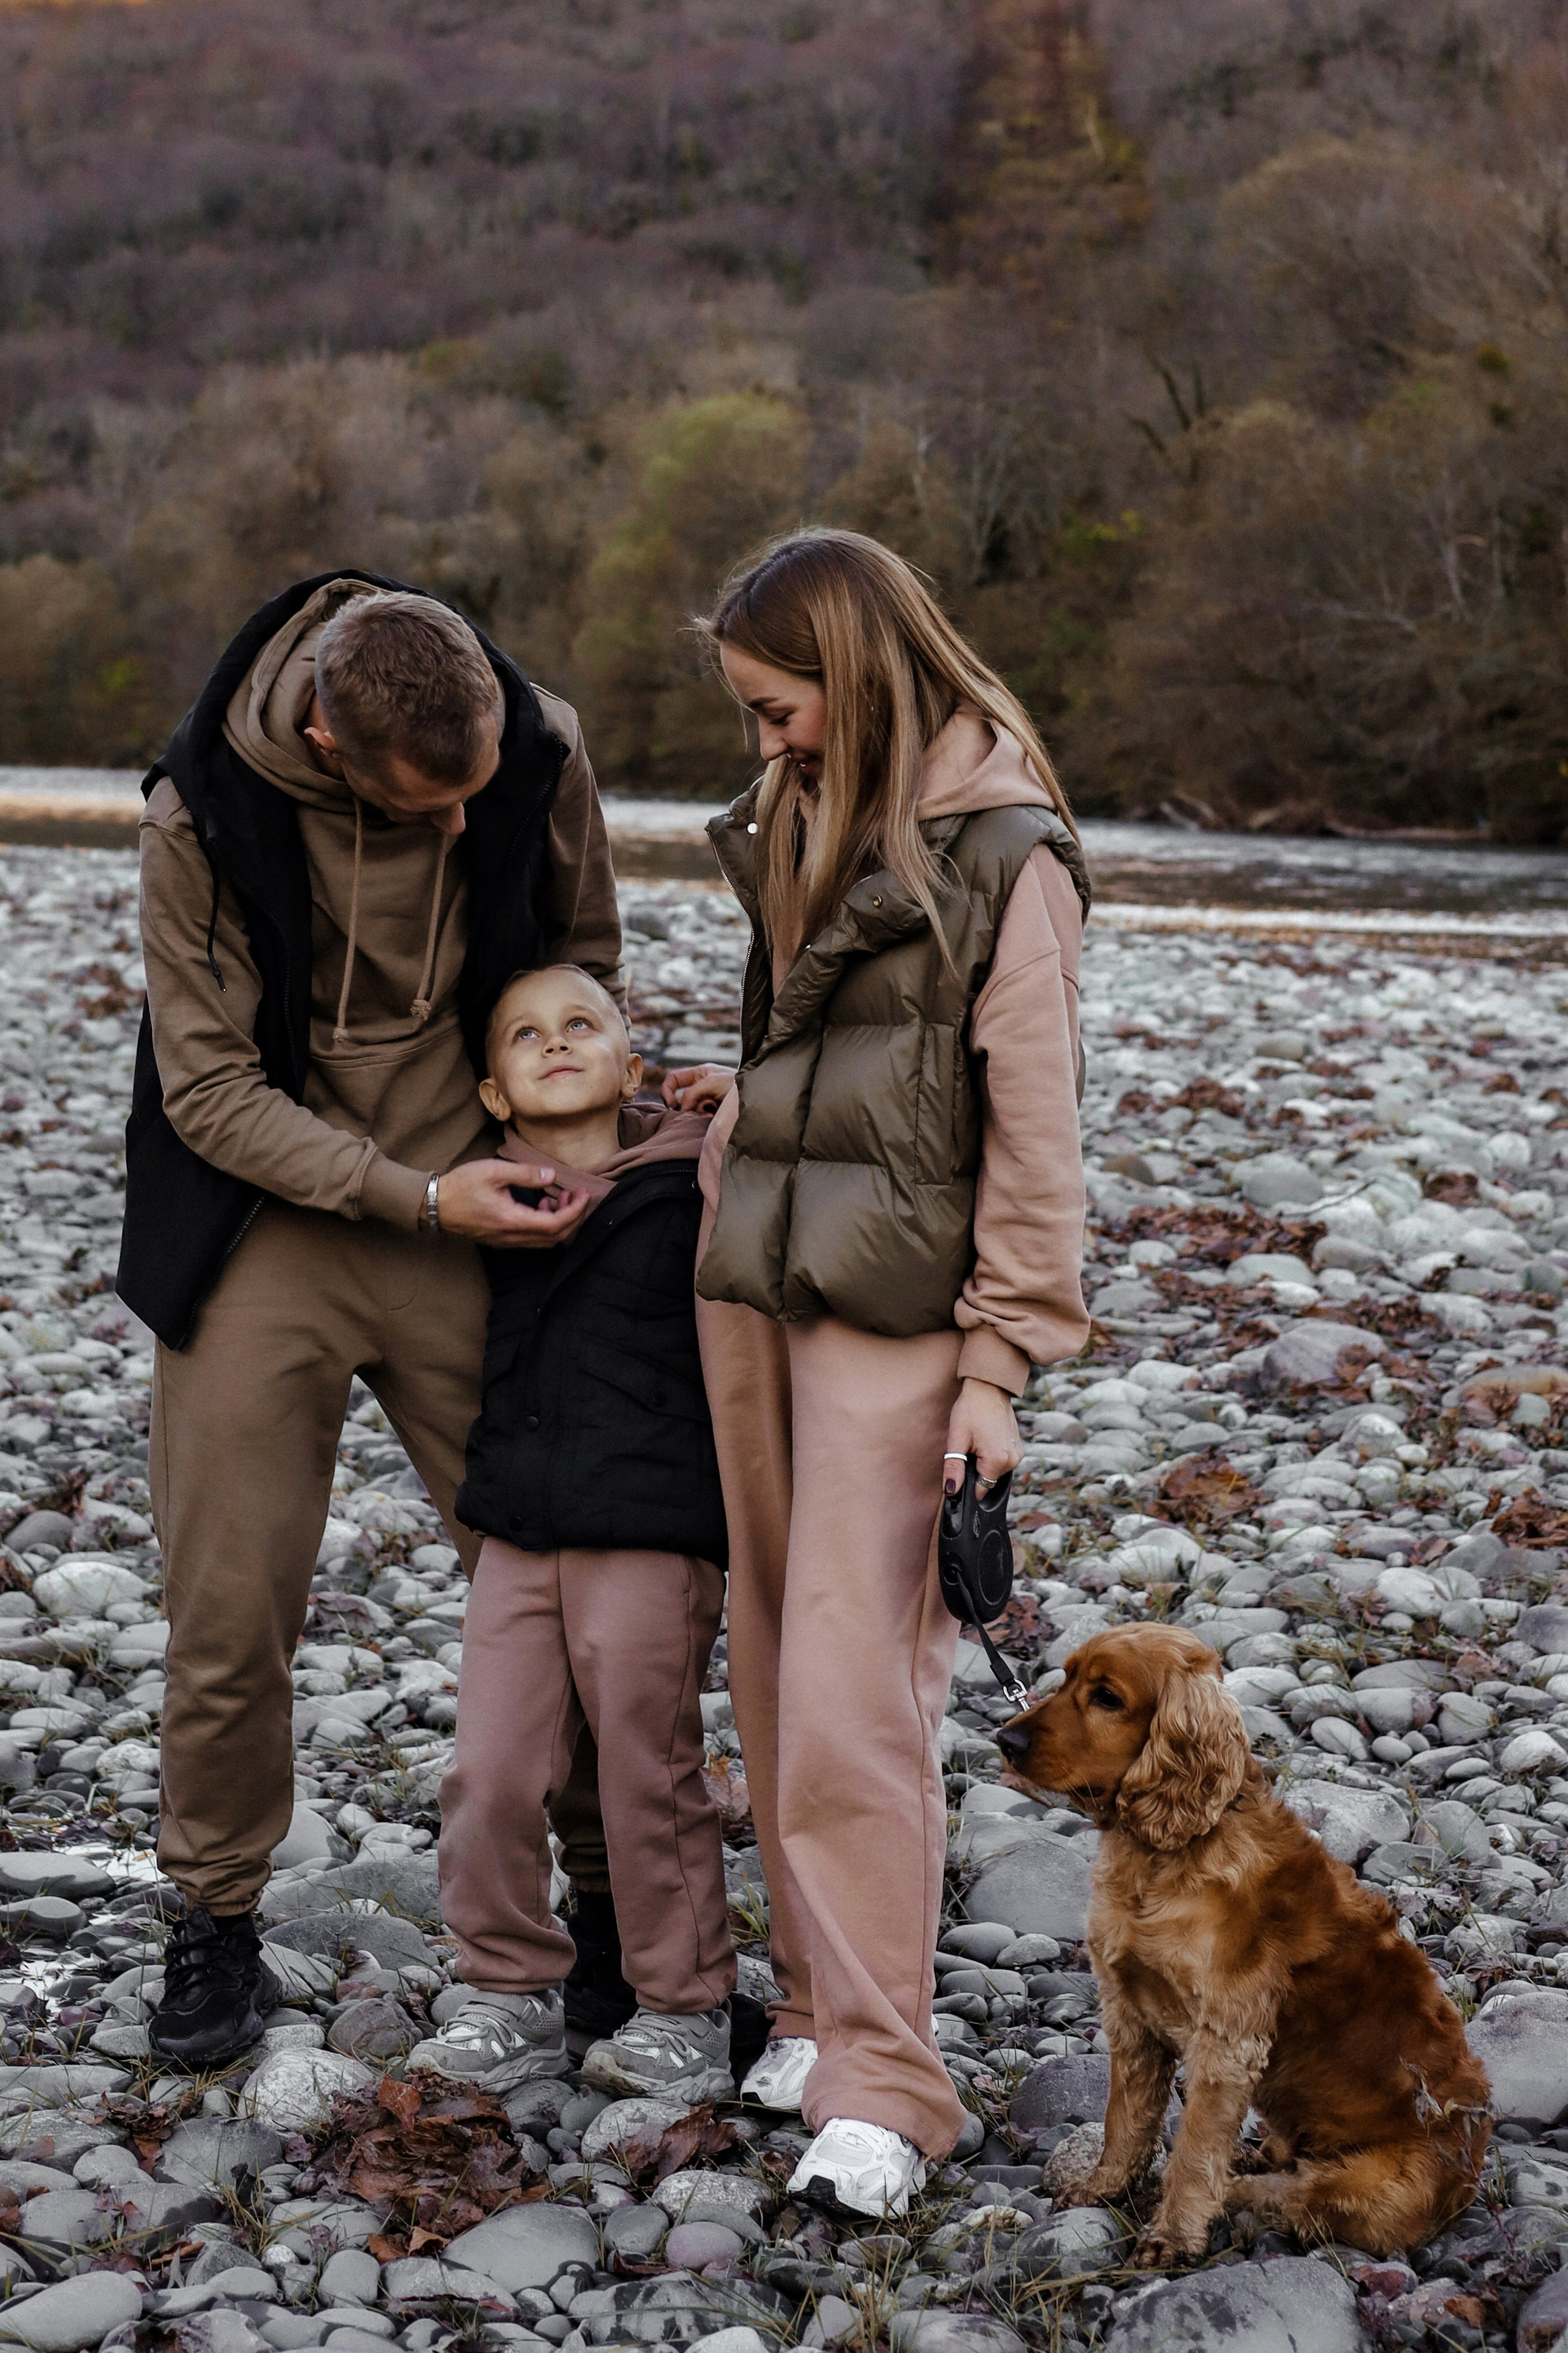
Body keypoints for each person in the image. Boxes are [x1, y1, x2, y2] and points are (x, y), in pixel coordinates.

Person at [119, 573, 628, 2067]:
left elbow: (582, 953)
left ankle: (616, 1921)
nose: (464, 828)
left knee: (564, 1588)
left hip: (476, 1211)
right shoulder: (194, 815)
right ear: (331, 738)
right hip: (258, 1229)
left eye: (480, 793)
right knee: (231, 1612)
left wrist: (564, 1133)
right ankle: (213, 1925)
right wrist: (406, 1196)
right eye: (427, 808)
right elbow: (205, 1092)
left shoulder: (535, 745)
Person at [666, 527, 1091, 2216]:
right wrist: (738, 1100)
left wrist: (1003, 1363)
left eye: (781, 709)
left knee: (860, 1691)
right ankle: (818, 2008)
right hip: (757, 1282)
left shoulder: (1012, 858)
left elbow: (1041, 1144)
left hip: (906, 1326)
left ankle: (893, 2089)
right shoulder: (801, 811)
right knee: (773, 1667)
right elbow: (824, 1048)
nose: (765, 743)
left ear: (859, 672)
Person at [407, 963, 737, 2099]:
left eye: (582, 1025)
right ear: (496, 1093)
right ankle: (507, 1989)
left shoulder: (694, 1175)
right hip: (521, 1527)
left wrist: (732, 1100)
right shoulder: (493, 1204)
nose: (556, 1043)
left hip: (650, 1526)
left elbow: (795, 1142)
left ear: (633, 1066)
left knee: (648, 1770)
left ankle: (685, 2007)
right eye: (526, 1035)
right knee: (490, 1770)